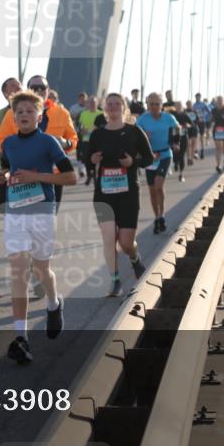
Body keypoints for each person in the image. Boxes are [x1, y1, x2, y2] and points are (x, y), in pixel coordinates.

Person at [0, 90, 76, 363]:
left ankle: (54, 303)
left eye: (30, 111)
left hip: (43, 211)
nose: (24, 116)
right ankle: (21, 337)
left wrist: (36, 176)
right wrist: (4, 176)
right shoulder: (7, 144)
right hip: (16, 212)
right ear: (14, 117)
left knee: (42, 268)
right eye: (19, 112)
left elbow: (70, 177)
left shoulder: (49, 142)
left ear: (39, 116)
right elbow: (8, 169)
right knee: (19, 271)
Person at [89, 94, 153, 296]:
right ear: (105, 109)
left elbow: (149, 159)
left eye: (118, 104)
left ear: (124, 108)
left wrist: (132, 163)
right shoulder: (97, 134)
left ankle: (135, 259)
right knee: (109, 238)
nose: (114, 107)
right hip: (104, 193)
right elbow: (86, 158)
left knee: (125, 243)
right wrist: (92, 158)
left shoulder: (134, 131)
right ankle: (115, 282)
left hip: (128, 193)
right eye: (110, 104)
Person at [0, 75, 78, 210]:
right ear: (28, 89)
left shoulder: (62, 112)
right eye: (34, 87)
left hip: (56, 174)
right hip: (19, 181)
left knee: (48, 215)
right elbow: (1, 143)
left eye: (43, 87)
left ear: (48, 90)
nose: (39, 90)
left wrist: (66, 143)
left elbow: (73, 139)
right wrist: (21, 151)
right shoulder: (13, 113)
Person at [136, 93, 180, 234]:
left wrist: (175, 142)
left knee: (159, 185)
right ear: (147, 104)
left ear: (162, 105)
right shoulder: (143, 119)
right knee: (152, 190)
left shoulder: (169, 118)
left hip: (165, 154)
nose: (154, 107)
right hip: (150, 156)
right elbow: (134, 136)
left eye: (157, 104)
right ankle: (157, 217)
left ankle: (162, 214)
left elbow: (177, 129)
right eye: (151, 104)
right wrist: (143, 137)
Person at [77, 95, 103, 185]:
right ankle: (89, 176)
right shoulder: (84, 113)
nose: (92, 104)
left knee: (97, 159)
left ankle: (96, 177)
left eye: (94, 102)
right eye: (90, 102)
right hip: (86, 140)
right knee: (86, 159)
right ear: (88, 104)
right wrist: (81, 130)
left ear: (97, 103)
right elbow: (80, 126)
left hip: (98, 141)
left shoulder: (101, 114)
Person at [171, 101, 196, 181]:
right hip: (174, 136)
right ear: (175, 106)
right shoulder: (172, 115)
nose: (178, 107)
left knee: (182, 155)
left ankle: (181, 174)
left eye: (180, 106)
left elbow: (192, 124)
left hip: (183, 136)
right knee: (175, 153)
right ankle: (175, 162)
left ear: (182, 107)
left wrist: (186, 125)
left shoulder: (185, 115)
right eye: (177, 105)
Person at [192, 94, 211, 159]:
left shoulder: (204, 104)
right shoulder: (194, 105)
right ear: (195, 97)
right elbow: (192, 114)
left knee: (202, 136)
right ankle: (196, 151)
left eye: (198, 97)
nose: (197, 98)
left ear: (200, 97)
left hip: (202, 122)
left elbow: (209, 111)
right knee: (196, 136)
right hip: (196, 122)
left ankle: (202, 150)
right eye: (196, 97)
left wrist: (203, 116)